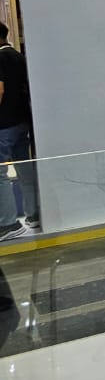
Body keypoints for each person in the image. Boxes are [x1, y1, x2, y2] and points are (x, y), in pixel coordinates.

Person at [0, 24, 37, 242]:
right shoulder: (18, 57)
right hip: (21, 121)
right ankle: (33, 214)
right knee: (25, 168)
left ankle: (8, 224)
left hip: (3, 124)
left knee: (0, 173)